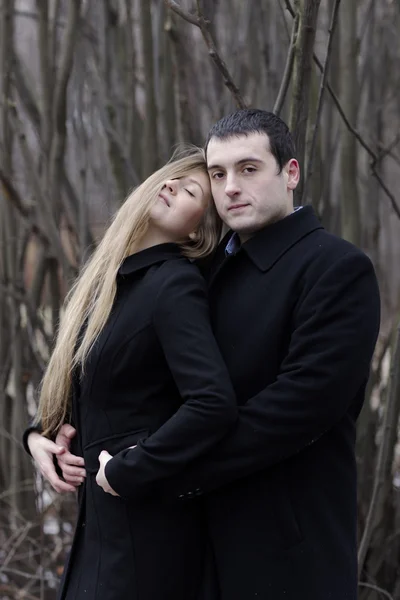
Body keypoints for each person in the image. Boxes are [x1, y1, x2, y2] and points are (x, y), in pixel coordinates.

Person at [29, 109, 381, 600]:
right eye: (218, 174)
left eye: (249, 169)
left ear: (291, 173)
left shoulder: (336, 268)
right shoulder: (200, 271)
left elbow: (298, 409)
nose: (231, 186)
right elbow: (130, 374)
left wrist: (152, 469)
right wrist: (46, 433)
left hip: (285, 556)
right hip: (188, 550)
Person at [24, 148, 238, 600]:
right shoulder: (104, 287)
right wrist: (37, 438)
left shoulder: (174, 284)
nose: (171, 187)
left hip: (146, 541)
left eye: (190, 191)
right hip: (95, 535)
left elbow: (212, 404)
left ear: (198, 228)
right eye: (170, 179)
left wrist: (130, 469)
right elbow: (89, 394)